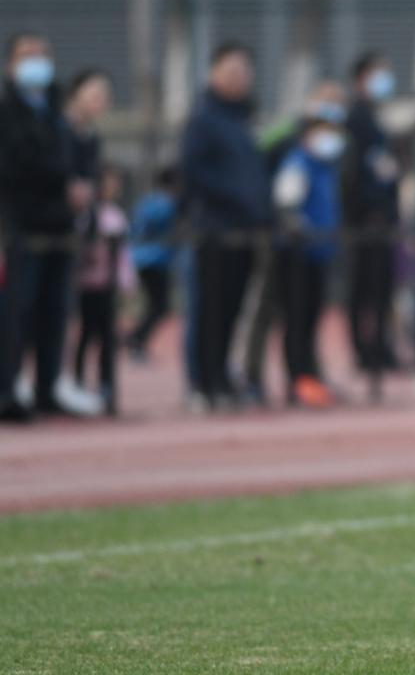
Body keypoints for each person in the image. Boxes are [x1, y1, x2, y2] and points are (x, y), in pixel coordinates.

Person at [180, 41, 271, 412]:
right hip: (215, 229)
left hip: (246, 230)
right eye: (231, 70)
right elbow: (192, 172)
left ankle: (222, 376)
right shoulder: (203, 118)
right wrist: (236, 198)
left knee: (233, 308)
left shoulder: (245, 118)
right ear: (213, 72)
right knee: (209, 308)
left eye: (244, 71)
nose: (239, 78)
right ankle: (202, 381)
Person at [0, 33, 78, 421]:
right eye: (26, 55)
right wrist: (58, 179)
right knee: (17, 311)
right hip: (20, 225)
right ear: (10, 64)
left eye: (41, 55)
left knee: (54, 311)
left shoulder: (56, 110)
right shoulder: (6, 112)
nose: (36, 62)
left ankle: (47, 387)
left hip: (58, 225)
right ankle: (8, 389)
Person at [273, 116, 345, 408]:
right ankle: (297, 379)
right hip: (297, 255)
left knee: (312, 319)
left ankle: (311, 375)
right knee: (297, 319)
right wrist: (300, 232)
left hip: (319, 253)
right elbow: (286, 205)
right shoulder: (297, 164)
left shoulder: (326, 167)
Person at [343, 52, 401, 396]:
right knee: (362, 288)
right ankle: (365, 351)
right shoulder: (356, 118)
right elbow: (355, 172)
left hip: (381, 217)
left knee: (381, 287)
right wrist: (368, 207)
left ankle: (380, 347)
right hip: (364, 219)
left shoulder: (375, 116)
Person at [74, 164, 130, 415]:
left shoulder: (116, 216)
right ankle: (77, 383)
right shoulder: (85, 216)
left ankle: (107, 387)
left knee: (108, 339)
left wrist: (126, 281)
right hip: (87, 287)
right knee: (85, 336)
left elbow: (123, 255)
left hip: (108, 287)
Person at [127, 165, 180, 361]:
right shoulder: (167, 203)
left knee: (156, 306)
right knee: (159, 306)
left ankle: (135, 338)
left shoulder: (147, 201)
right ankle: (135, 339)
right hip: (154, 260)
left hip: (142, 258)